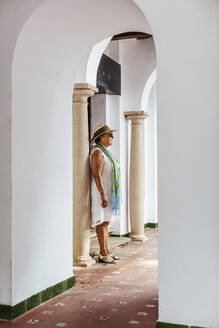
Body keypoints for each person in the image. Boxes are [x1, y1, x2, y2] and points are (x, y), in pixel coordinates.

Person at [90, 124, 121, 264]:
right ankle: (102, 253)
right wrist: (102, 193)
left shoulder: (106, 153)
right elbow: (96, 174)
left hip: (108, 192)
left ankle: (107, 251)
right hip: (100, 192)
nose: (112, 137)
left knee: (106, 222)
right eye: (110, 134)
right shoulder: (97, 152)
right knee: (101, 222)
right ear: (101, 137)